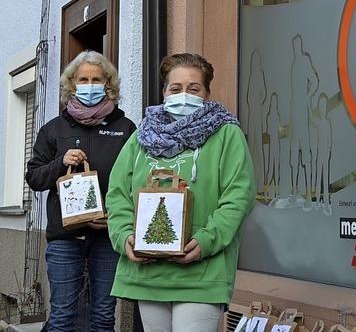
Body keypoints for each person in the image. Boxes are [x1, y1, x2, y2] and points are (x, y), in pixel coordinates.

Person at [106, 53, 256, 332]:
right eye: (175, 89)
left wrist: (206, 241)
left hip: (201, 273)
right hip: (148, 275)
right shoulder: (141, 139)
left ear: (207, 93)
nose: (183, 95)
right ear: (164, 92)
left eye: (193, 89)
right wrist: (125, 237)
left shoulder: (225, 135)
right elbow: (117, 195)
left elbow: (239, 196)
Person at [25, 51, 136, 331]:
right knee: (62, 317)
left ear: (107, 83)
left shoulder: (126, 129)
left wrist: (118, 218)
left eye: (96, 79)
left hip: (107, 238)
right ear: (72, 84)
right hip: (65, 237)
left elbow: (137, 182)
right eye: (83, 79)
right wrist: (59, 163)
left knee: (103, 316)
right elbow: (35, 177)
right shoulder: (53, 129)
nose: (89, 84)